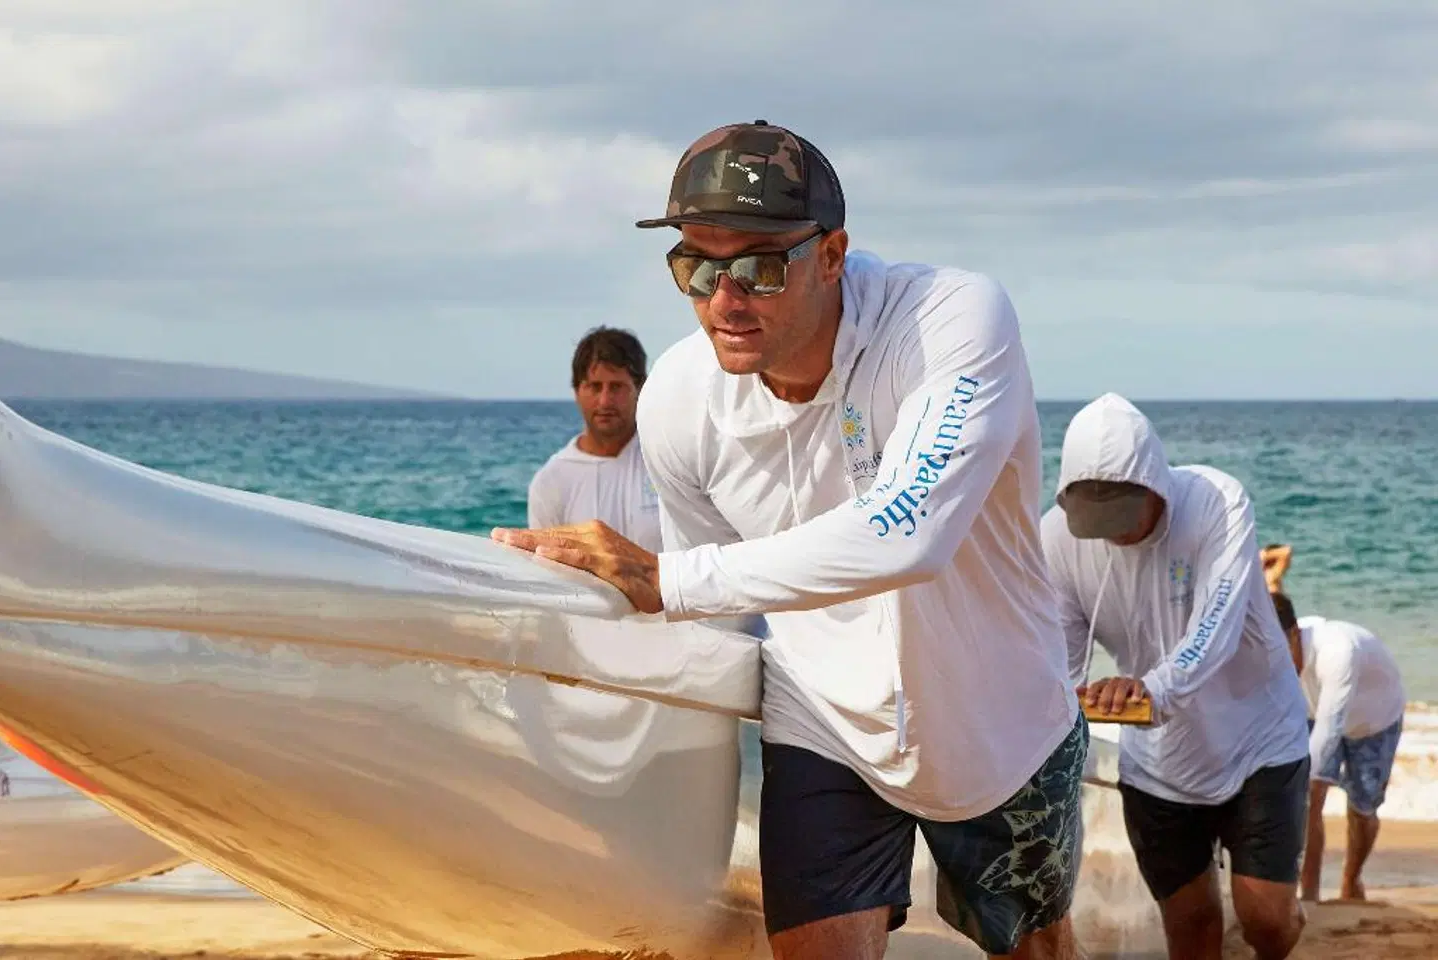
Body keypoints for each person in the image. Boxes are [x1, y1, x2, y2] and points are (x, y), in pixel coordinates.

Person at [494, 119, 1085, 960]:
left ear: (834, 254)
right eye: (694, 266)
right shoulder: (677, 403)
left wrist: (665, 578)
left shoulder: (952, 322)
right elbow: (718, 614)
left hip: (1000, 723)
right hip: (823, 720)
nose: (723, 301)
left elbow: (903, 532)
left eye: (758, 268)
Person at [1040, 393, 1311, 960]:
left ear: (1156, 486)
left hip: (1259, 741)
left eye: (1121, 513)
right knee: (1191, 928)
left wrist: (1154, 688)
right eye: (1094, 518)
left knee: (1266, 923)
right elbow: (1063, 661)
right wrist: (1061, 721)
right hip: (1159, 762)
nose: (1110, 534)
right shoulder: (1058, 539)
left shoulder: (1217, 502)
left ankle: (1289, 917)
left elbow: (1218, 624)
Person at [1271, 592, 1406, 903]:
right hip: (1314, 711)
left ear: (1295, 634)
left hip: (1374, 721)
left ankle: (1351, 878)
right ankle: (1310, 896)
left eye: (1278, 651)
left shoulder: (1337, 651)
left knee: (1362, 809)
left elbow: (1330, 729)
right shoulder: (1272, 643)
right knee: (1309, 798)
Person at [526, 326, 662, 553]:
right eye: (595, 387)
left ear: (640, 388)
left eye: (616, 387)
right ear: (577, 391)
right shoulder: (551, 482)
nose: (605, 401)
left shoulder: (667, 457)